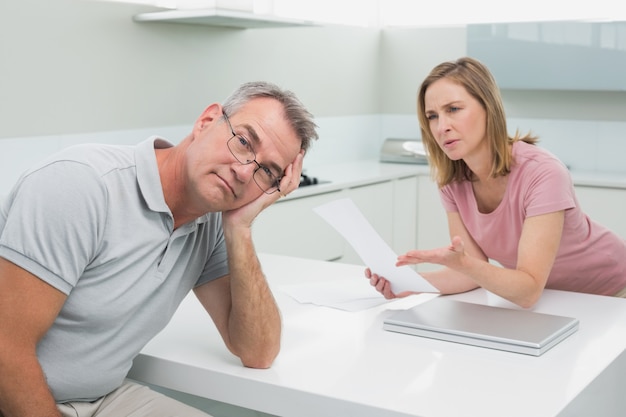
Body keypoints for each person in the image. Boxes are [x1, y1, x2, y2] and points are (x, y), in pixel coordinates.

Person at [0, 81, 318, 417]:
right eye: (242, 141)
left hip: (102, 399)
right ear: (207, 121)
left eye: (266, 171)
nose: (243, 171)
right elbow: (6, 349)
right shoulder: (82, 184)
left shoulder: (210, 222)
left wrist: (240, 227)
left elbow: (258, 352)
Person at [366, 57, 626, 308]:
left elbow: (527, 291)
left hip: (614, 290)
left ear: (488, 107)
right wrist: (407, 283)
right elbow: (469, 274)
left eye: (453, 109)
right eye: (432, 116)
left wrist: (462, 262)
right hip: (557, 298)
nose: (441, 126)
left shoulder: (542, 172)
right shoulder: (452, 182)